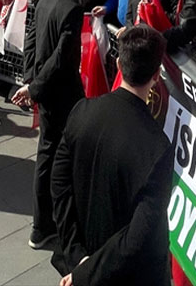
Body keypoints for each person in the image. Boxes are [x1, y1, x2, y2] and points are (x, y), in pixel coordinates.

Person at [51, 25, 172, 285]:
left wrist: (77, 257)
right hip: (124, 276)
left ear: (118, 64)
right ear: (156, 76)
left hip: (82, 260)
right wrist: (86, 272)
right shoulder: (158, 148)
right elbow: (141, 236)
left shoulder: (82, 111)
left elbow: (59, 187)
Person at [14, 0, 92, 250]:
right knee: (56, 160)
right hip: (61, 94)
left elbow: (30, 38)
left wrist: (30, 78)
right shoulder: (71, 6)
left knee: (48, 155)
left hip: (46, 90)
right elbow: (62, 57)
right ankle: (47, 224)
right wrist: (34, 87)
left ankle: (43, 224)